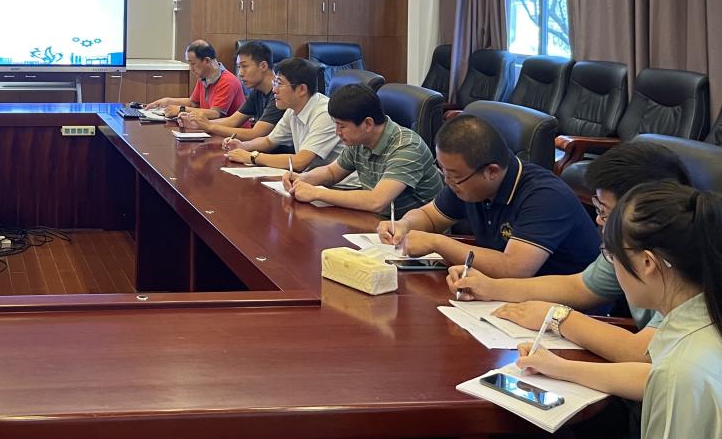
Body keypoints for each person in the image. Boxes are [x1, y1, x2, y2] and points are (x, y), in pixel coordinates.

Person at [461, 143, 689, 439]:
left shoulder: (689, 275)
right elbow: (580, 285)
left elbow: (648, 355)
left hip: (661, 425)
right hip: (643, 402)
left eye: (605, 211)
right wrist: (492, 287)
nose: (599, 221)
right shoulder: (633, 246)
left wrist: (559, 318)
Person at [515, 182, 722, 439]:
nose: (612, 266)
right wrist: (560, 367)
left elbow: (673, 380)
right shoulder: (702, 316)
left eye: (612, 256)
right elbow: (653, 377)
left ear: (648, 263)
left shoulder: (682, 371)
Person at [379, 114, 598, 277]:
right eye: (444, 172)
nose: (447, 182)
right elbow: (430, 217)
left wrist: (438, 243)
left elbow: (514, 269)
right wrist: (404, 225)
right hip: (502, 294)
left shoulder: (545, 197)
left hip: (564, 310)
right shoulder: (468, 181)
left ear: (491, 171)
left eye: (454, 176)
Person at [281, 83, 442, 215]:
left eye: (342, 126)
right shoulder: (360, 140)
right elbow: (332, 172)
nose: (337, 132)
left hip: (417, 232)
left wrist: (316, 193)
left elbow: (377, 201)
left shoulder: (407, 147)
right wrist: (302, 178)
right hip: (380, 222)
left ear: (368, 124)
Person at [223, 56, 343, 172]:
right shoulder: (293, 109)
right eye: (274, 83)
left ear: (301, 89)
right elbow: (269, 141)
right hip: (311, 177)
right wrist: (242, 145)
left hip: (339, 184)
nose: (274, 90)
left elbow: (300, 162)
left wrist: (252, 157)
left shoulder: (325, 114)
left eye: (279, 84)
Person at [176, 40, 283, 141]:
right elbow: (232, 121)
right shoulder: (257, 90)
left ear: (263, 66)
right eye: (239, 67)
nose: (240, 73)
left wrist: (210, 126)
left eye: (244, 66)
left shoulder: (279, 94)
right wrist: (196, 124)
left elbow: (255, 134)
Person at [146, 39, 245, 120]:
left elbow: (215, 114)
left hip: (233, 134)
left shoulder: (227, 81)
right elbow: (193, 103)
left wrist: (181, 109)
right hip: (211, 129)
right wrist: (168, 101)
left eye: (193, 63)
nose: (191, 68)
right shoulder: (203, 77)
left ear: (207, 60)